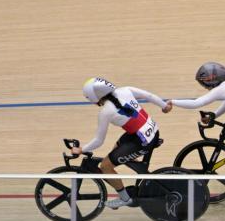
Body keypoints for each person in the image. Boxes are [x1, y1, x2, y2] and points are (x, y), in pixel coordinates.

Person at [74, 78, 173, 209]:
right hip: (151, 132)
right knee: (116, 148)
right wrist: (164, 106)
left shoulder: (105, 112)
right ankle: (133, 160)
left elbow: (98, 141)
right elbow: (148, 95)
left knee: (105, 166)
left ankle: (125, 198)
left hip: (142, 140)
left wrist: (81, 149)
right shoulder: (125, 90)